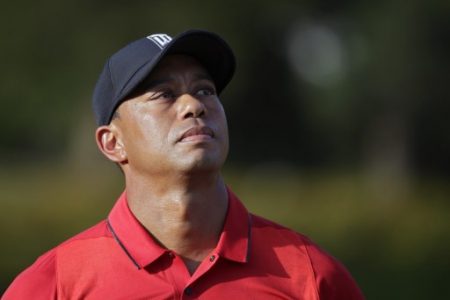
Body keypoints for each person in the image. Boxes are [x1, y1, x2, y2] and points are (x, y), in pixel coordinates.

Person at [2, 29, 364, 299]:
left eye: (205, 89)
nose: (194, 105)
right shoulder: (55, 283)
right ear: (113, 143)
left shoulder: (310, 274)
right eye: (165, 94)